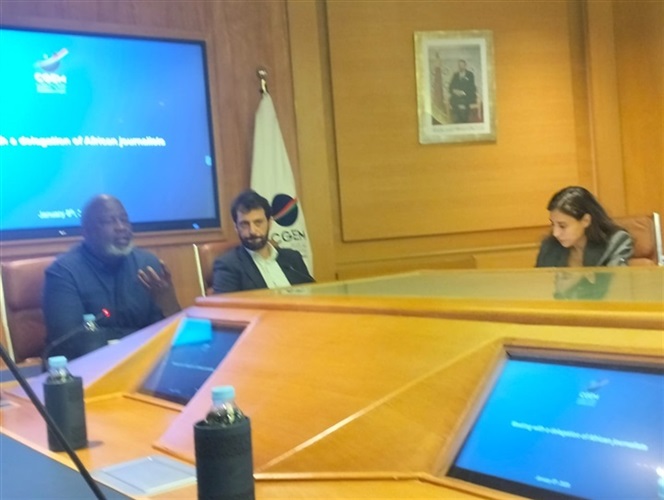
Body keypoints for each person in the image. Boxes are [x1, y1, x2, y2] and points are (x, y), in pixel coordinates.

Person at [43, 194, 181, 360]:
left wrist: (168, 303)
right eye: (108, 221)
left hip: (144, 360)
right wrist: (141, 336)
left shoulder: (147, 265)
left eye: (124, 220)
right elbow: (70, 342)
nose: (121, 227)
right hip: (88, 367)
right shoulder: (64, 272)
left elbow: (170, 331)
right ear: (86, 232)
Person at [212, 190, 314, 293]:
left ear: (269, 223)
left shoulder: (293, 258)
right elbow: (227, 303)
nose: (252, 231)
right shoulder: (228, 266)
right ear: (236, 227)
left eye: (258, 222)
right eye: (244, 224)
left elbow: (312, 293)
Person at [535, 186, 633, 267]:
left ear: (586, 221)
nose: (555, 233)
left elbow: (617, 282)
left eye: (562, 226)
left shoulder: (615, 242)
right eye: (553, 224)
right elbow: (539, 282)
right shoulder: (549, 247)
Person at [448, 59, 477, 123]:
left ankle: (464, 120)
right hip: (457, 96)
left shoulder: (470, 74)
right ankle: (459, 120)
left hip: (467, 95)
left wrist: (464, 92)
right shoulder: (455, 75)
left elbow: (472, 87)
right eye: (459, 65)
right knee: (454, 102)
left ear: (465, 65)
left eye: (462, 65)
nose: (461, 67)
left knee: (464, 104)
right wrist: (455, 91)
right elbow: (450, 87)